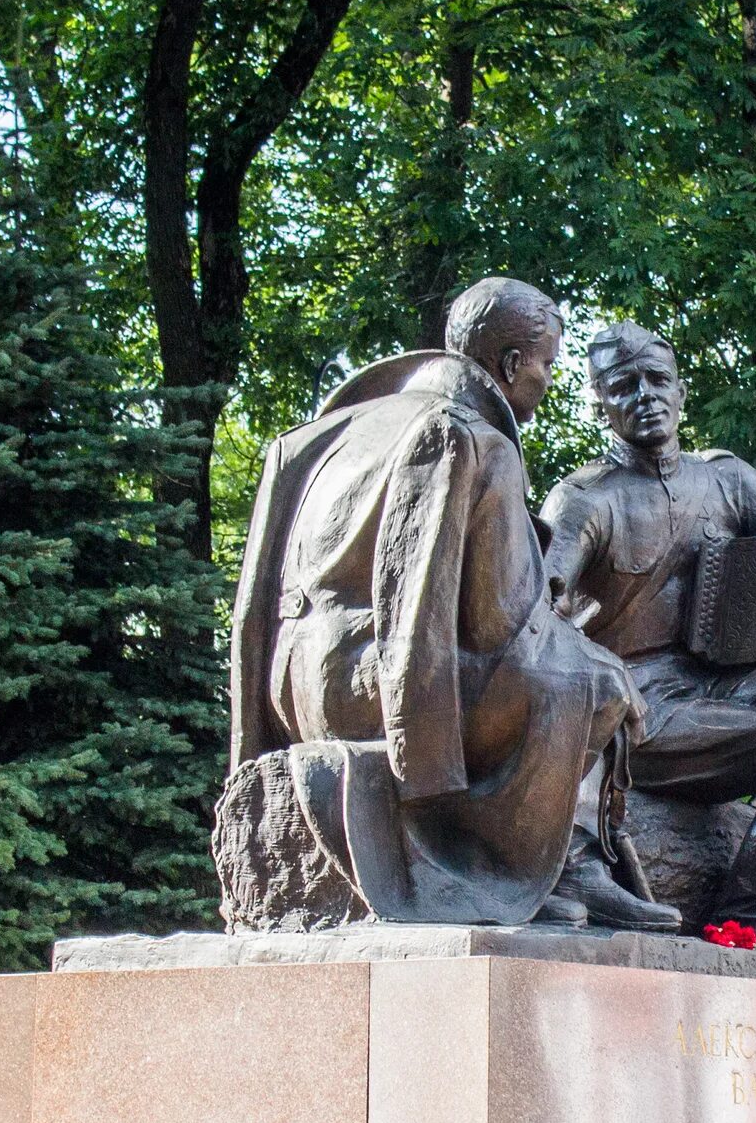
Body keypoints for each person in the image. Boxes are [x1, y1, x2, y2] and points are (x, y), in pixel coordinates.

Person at [223, 277, 677, 929]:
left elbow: (253, 614)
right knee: (594, 679)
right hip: (390, 692)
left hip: (297, 692)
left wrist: (250, 749)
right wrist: (570, 635)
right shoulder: (467, 434)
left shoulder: (312, 440)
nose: (547, 383)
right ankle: (536, 870)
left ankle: (554, 866)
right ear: (511, 364)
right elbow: (498, 624)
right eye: (546, 364)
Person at [541, 324, 756, 931]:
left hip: (708, 703)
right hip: (630, 719)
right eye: (623, 387)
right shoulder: (583, 500)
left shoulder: (724, 478)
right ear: (601, 408)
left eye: (657, 381)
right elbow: (537, 607)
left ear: (681, 392)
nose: (644, 396)